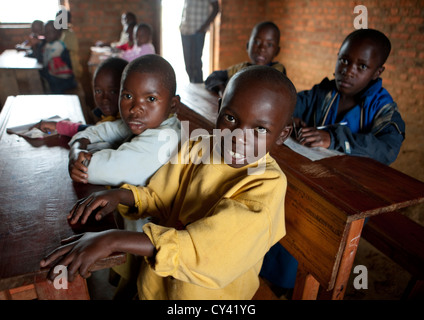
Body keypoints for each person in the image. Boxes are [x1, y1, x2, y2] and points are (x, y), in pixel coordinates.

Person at [40, 66, 297, 300]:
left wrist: (113, 239)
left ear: (282, 134)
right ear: (219, 108)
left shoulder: (266, 186)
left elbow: (202, 249)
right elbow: (160, 195)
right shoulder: (201, 146)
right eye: (230, 118)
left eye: (260, 129)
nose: (238, 137)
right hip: (155, 285)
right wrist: (122, 196)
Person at [260, 28, 406, 296]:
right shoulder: (325, 92)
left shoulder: (381, 108)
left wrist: (333, 138)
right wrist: (289, 118)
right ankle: (274, 275)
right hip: (312, 180)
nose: (348, 70)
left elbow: (388, 147)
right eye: (344, 60)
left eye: (362, 66)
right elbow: (291, 103)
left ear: (377, 72)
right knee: (280, 201)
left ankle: (288, 283)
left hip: (348, 197)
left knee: (306, 227)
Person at [34, 57, 128, 137]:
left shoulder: (127, 123)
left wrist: (60, 126)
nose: (105, 98)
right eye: (98, 91)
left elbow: (95, 133)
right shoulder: (108, 116)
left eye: (113, 91)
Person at [205, 21, 286, 96]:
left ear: (277, 51)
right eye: (257, 42)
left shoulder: (278, 71)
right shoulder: (241, 68)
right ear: (247, 46)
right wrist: (221, 88)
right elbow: (213, 77)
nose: (262, 48)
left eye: (269, 45)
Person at [180, 0, 219, 83]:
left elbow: (216, 8)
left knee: (196, 64)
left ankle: (198, 87)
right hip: (185, 30)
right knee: (188, 65)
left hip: (198, 30)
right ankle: (193, 87)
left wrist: (204, 27)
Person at [39, 20, 77, 94]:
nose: (47, 35)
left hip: (64, 78)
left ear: (59, 34)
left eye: (50, 32)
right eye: (45, 32)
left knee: (51, 83)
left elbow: (46, 60)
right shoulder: (48, 44)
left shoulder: (59, 45)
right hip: (56, 75)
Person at [56, 9, 83, 79]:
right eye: (58, 19)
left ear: (68, 20)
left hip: (70, 68)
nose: (59, 21)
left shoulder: (70, 34)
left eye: (62, 19)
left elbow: (71, 52)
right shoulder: (56, 34)